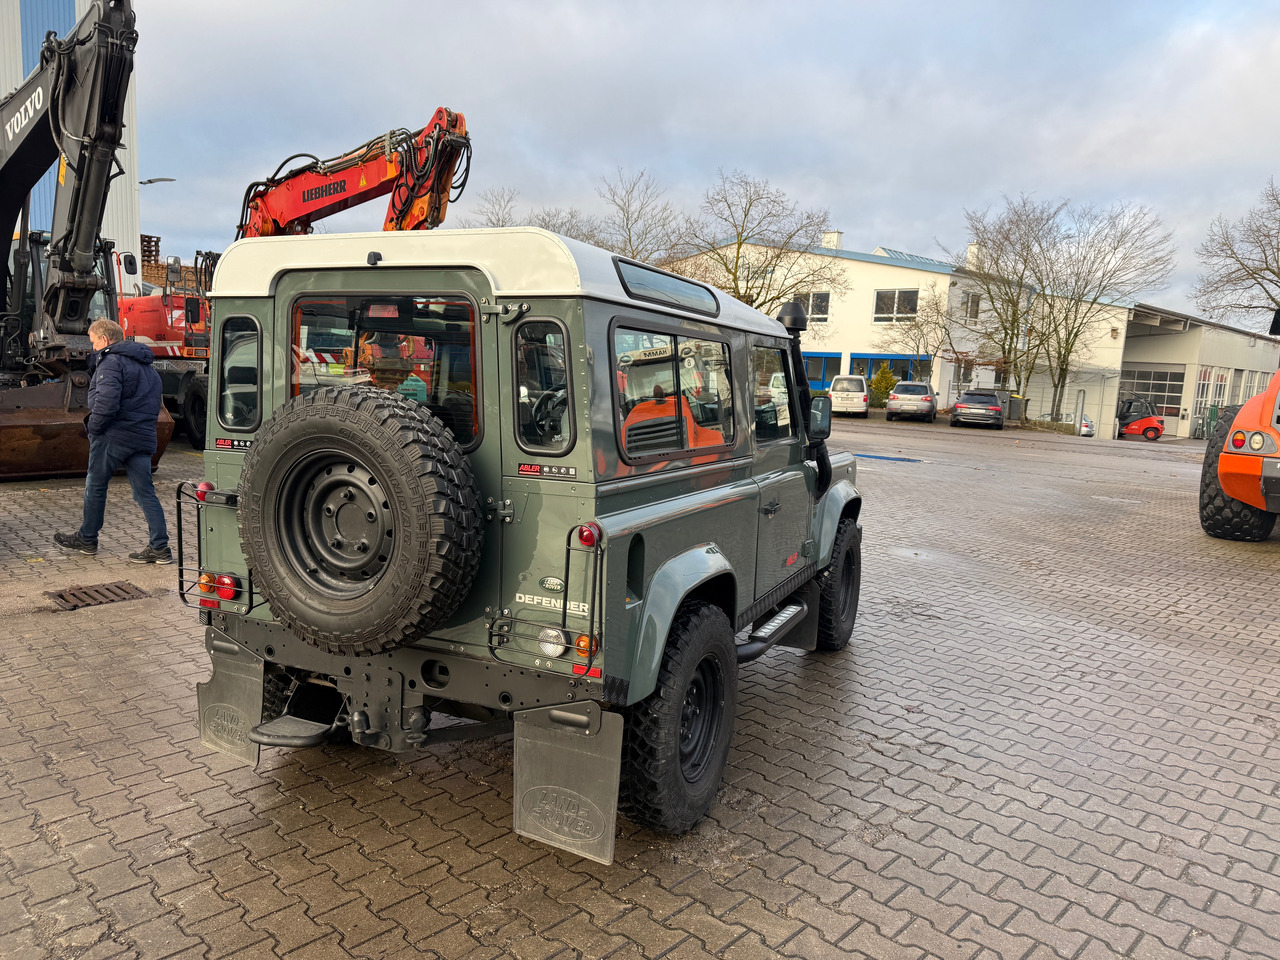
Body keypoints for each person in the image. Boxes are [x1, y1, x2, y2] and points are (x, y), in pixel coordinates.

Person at [55, 318, 172, 563]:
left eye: (94, 342)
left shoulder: (110, 363)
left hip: (113, 436)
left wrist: (93, 429)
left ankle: (87, 539)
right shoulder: (148, 368)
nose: (93, 348)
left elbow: (106, 404)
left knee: (95, 486)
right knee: (145, 492)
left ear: (105, 340)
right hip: (141, 437)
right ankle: (160, 547)